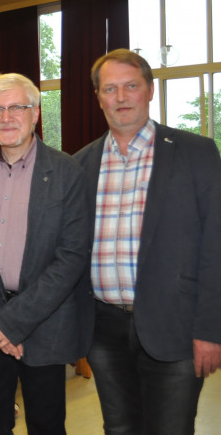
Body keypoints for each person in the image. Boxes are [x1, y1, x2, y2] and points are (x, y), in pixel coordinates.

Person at [74, 48, 221, 435]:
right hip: (103, 330)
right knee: (119, 428)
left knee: (171, 429)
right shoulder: (80, 164)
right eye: (110, 89)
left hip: (175, 325)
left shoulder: (196, 153)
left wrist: (210, 329)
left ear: (150, 91)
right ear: (98, 97)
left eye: (131, 86)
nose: (121, 97)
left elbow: (215, 247)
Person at [0, 73, 91, 435]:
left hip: (45, 322)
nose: (6, 117)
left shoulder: (67, 170)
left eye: (17, 108)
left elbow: (71, 256)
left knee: (46, 424)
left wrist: (13, 323)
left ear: (36, 113)